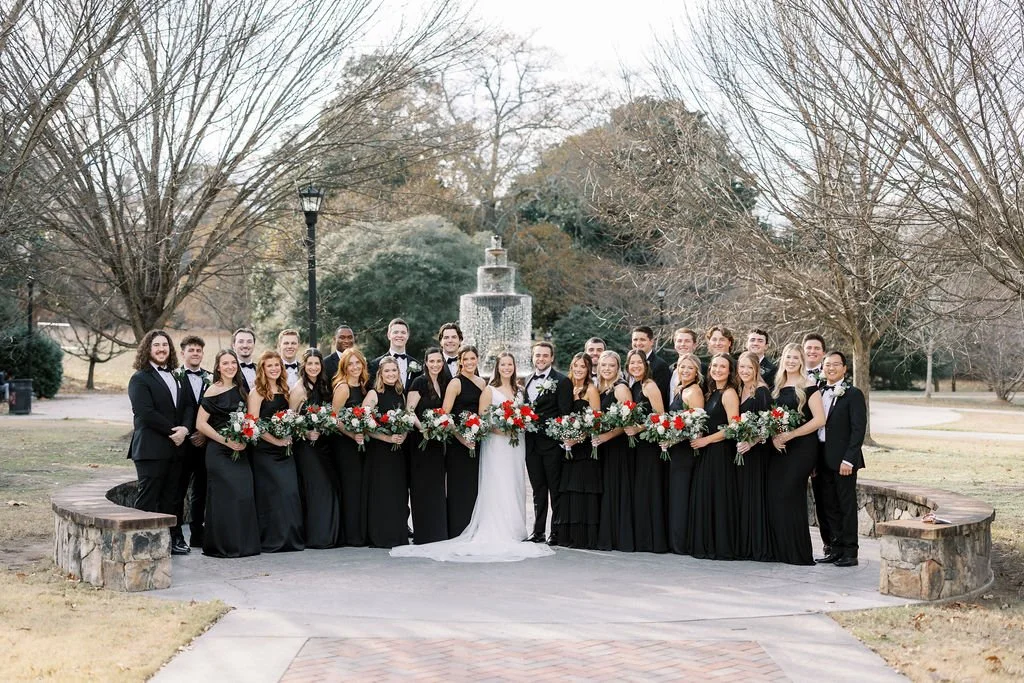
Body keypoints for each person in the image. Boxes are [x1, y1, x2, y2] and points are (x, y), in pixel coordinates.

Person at [390, 352, 554, 562]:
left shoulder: (518, 389)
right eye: (502, 364)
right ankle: (488, 527)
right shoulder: (485, 389)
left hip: (514, 444)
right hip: (491, 443)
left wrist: (518, 423)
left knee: (514, 483)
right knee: (494, 483)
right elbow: (473, 415)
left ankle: (515, 528)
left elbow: (518, 416)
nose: (507, 368)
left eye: (510, 364)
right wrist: (487, 432)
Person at [126, 330, 192, 556]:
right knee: (149, 497)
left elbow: (188, 407)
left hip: (177, 447)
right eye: (157, 345)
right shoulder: (139, 378)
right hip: (151, 449)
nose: (162, 349)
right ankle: (140, 545)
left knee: (173, 498)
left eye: (165, 345)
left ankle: (172, 541)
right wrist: (172, 431)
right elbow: (144, 412)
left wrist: (185, 429)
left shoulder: (177, 376)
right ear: (148, 349)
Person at [194, 349, 261, 558]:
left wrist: (245, 435)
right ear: (218, 367)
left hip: (240, 450)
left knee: (244, 493)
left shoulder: (242, 389)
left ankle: (243, 545)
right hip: (219, 452)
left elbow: (250, 418)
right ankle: (223, 545)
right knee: (226, 496)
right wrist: (226, 441)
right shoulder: (213, 390)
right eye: (225, 363)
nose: (230, 366)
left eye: (233, 363)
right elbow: (200, 424)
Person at [767, 343, 826, 565]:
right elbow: (772, 418)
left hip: (802, 448)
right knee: (776, 496)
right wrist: (775, 436)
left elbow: (820, 420)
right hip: (779, 448)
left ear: (801, 361)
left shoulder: (809, 386)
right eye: (787, 357)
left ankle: (797, 553)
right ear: (783, 359)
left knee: (790, 495)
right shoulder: (777, 386)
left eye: (795, 357)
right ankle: (780, 549)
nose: (791, 361)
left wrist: (790, 435)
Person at [248, 351, 304, 552]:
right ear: (262, 369)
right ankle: (272, 540)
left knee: (290, 492)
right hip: (265, 451)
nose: (273, 369)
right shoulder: (257, 392)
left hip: (285, 450)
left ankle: (291, 538)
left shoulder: (285, 389)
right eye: (269, 365)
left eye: (277, 365)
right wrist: (275, 441)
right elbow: (253, 424)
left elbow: (290, 415)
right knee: (271, 494)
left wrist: (290, 431)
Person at [688, 353, 741, 560]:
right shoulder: (711, 393)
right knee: (705, 497)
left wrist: (706, 440)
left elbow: (734, 427)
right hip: (706, 451)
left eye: (722, 367)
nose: (717, 370)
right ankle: (705, 543)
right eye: (714, 366)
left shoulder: (729, 394)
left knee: (718, 498)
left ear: (730, 371)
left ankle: (720, 546)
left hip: (719, 452)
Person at [816, 351, 866, 567]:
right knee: (828, 506)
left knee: (845, 506)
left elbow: (858, 430)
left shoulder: (853, 394)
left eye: (836, 364)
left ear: (845, 368)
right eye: (827, 364)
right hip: (821, 459)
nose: (831, 368)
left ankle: (850, 552)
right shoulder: (818, 392)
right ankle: (834, 548)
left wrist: (849, 460)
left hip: (843, 461)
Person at [289, 348, 341, 549]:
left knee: (331, 485)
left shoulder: (325, 386)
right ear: (304, 366)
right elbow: (290, 421)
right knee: (318, 489)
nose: (313, 367)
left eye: (317, 364)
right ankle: (318, 537)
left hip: (325, 445)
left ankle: (331, 535)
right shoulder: (299, 389)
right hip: (306, 447)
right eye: (309, 364)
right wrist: (306, 433)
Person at [523, 341, 573, 544]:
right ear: (533, 357)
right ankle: (538, 532)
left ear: (552, 358)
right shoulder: (526, 380)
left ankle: (556, 532)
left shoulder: (562, 381)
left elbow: (564, 414)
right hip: (531, 445)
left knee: (555, 489)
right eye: (537, 355)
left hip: (552, 446)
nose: (541, 359)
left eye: (545, 355)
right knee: (538, 490)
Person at [552, 352, 602, 549]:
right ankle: (568, 536)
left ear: (589, 369)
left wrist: (577, 439)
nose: (579, 370)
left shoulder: (591, 390)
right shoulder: (567, 386)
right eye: (576, 366)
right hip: (567, 447)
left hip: (584, 448)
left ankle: (584, 538)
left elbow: (596, 422)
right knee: (569, 490)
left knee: (583, 491)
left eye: (583, 366)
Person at [362, 356, 410, 548]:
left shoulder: (401, 393)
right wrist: (387, 438)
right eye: (387, 371)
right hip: (380, 452)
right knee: (382, 492)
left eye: (394, 371)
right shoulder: (374, 394)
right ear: (380, 374)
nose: (391, 374)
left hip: (398, 452)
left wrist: (403, 435)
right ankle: (381, 535)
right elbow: (364, 424)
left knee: (398, 492)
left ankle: (398, 534)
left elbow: (406, 418)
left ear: (399, 373)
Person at [441, 345, 487, 538]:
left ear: (477, 360)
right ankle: (457, 529)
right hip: (457, 444)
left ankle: (473, 528)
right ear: (460, 361)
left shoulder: (482, 383)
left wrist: (476, 433)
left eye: (472, 359)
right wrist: (461, 437)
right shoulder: (455, 383)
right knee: (458, 485)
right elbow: (444, 415)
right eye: (465, 359)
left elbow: (484, 412)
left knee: (474, 485)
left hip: (476, 442)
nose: (469, 362)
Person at [624, 349, 668, 553]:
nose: (635, 366)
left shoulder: (649, 385)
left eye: (638, 363)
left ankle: (651, 540)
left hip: (648, 446)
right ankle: (640, 537)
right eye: (632, 363)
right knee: (639, 491)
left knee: (648, 490)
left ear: (646, 365)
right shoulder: (633, 385)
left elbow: (661, 416)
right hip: (635, 447)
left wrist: (639, 428)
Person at [405, 347, 449, 545]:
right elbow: (410, 409)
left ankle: (437, 532)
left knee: (437, 485)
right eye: (432, 361)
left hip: (438, 443)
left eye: (439, 361)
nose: (435, 365)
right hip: (421, 441)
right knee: (422, 486)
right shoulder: (419, 382)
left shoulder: (444, 382)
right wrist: (423, 428)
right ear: (426, 362)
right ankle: (424, 533)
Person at [594, 350, 635, 552]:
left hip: (617, 447)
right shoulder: (600, 388)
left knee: (615, 489)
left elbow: (629, 422)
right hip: (603, 447)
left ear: (618, 368)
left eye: (611, 365)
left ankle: (618, 537)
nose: (607, 369)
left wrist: (606, 437)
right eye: (604, 365)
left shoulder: (620, 389)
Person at [735, 351, 773, 561]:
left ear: (757, 369)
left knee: (754, 495)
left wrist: (751, 441)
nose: (745, 371)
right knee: (742, 496)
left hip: (756, 452)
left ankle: (756, 546)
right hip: (741, 450)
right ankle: (743, 543)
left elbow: (768, 425)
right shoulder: (740, 389)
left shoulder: (761, 391)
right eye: (742, 367)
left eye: (749, 368)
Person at [331, 346, 371, 546]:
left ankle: (361, 532)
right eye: (350, 364)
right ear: (344, 367)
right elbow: (333, 418)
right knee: (351, 488)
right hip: (345, 445)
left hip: (361, 444)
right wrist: (351, 434)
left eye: (358, 363)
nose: (355, 367)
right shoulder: (343, 387)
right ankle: (350, 535)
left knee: (361, 487)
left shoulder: (364, 386)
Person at [666, 353, 704, 556]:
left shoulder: (694, 391)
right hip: (675, 450)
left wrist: (672, 438)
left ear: (697, 371)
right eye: (682, 367)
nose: (685, 371)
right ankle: (675, 540)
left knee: (681, 495)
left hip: (685, 451)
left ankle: (681, 543)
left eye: (690, 368)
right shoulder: (680, 389)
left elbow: (697, 427)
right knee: (675, 494)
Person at [175, 334, 210, 548]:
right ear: (183, 353)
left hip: (205, 444)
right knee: (178, 491)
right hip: (181, 445)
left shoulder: (211, 377)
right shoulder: (174, 376)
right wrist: (187, 432)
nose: (195, 353)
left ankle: (198, 534)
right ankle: (176, 534)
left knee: (202, 491)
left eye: (198, 350)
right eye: (191, 350)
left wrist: (204, 433)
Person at [802, 332, 831, 554]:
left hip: (824, 446)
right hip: (800, 444)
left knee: (824, 498)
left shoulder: (829, 377)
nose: (812, 352)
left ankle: (830, 543)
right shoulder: (795, 375)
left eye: (816, 349)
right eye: (808, 348)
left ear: (822, 352)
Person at [369, 318, 421, 387]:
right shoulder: (375, 364)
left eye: (403, 332)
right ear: (388, 335)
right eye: (395, 332)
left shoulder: (417, 365)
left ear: (408, 336)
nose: (399, 335)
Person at [631, 326, 671, 407]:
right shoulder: (630, 365)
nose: (638, 343)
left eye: (642, 340)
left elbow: (662, 398)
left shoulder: (660, 366)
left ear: (651, 342)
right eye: (635, 340)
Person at [669, 328, 698, 399]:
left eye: (687, 341)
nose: (682, 344)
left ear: (694, 345)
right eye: (679, 341)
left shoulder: (702, 368)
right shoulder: (671, 369)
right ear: (675, 344)